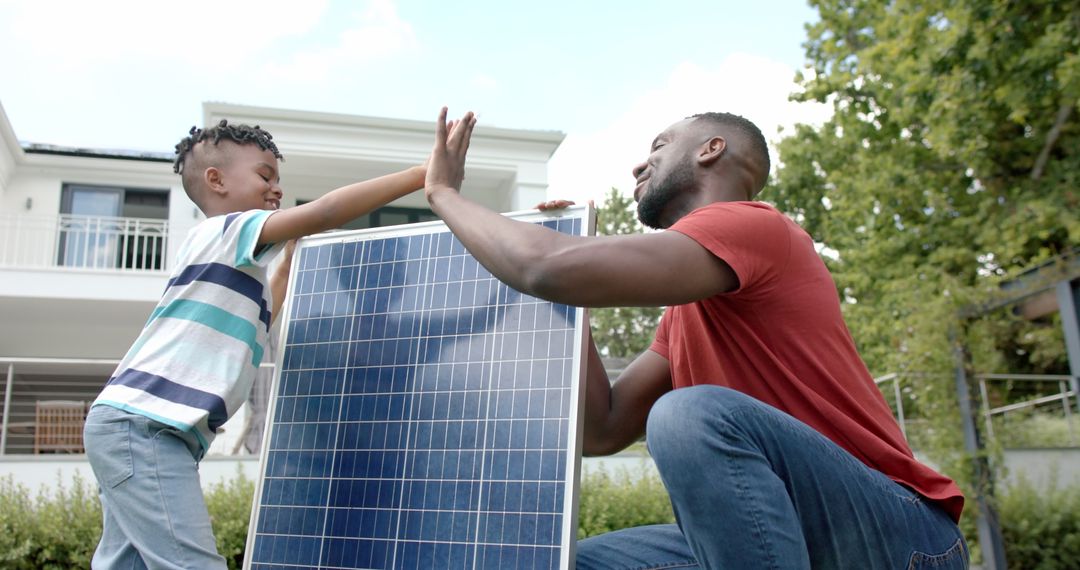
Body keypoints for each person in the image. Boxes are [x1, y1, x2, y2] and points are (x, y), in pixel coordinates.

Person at [423, 107, 969, 569]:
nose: (640, 162)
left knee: (688, 414)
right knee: (570, 562)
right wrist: (568, 272)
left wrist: (445, 194)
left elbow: (542, 268)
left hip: (901, 535)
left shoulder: (755, 226)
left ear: (711, 149)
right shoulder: (686, 317)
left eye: (659, 146)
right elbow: (603, 428)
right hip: (787, 535)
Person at [82, 119, 438, 569]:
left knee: (125, 563)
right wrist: (422, 174)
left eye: (278, 181)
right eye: (264, 176)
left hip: (134, 428)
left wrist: (294, 250)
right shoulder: (226, 230)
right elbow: (325, 210)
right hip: (146, 427)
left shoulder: (239, 280)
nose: (276, 189)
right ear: (217, 181)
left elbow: (278, 290)